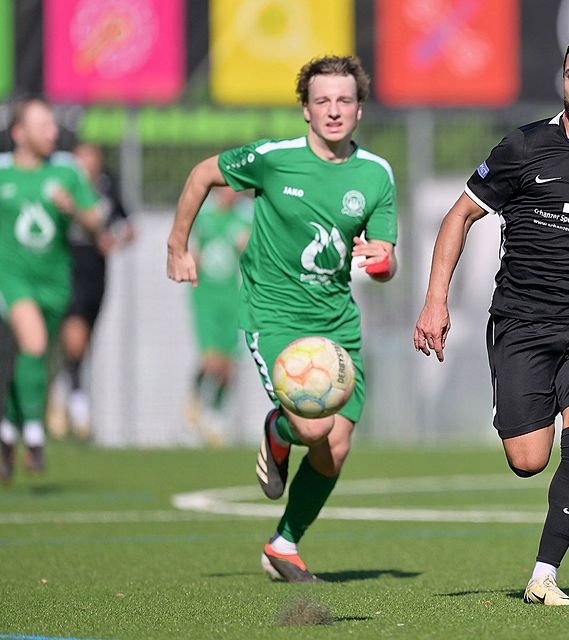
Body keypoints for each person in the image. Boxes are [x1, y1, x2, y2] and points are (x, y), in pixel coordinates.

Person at [415, 35, 569, 606]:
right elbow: (458, 216)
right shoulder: (524, 147)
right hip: (521, 322)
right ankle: (526, 408)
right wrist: (435, 301)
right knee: (528, 460)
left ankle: (544, 574)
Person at [166, 55, 397, 581]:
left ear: (359, 109)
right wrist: (177, 245)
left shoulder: (376, 174)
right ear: (305, 110)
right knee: (313, 427)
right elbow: (204, 174)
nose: (333, 110)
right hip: (273, 315)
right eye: (322, 101)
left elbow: (385, 257)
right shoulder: (274, 158)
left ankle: (283, 544)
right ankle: (279, 429)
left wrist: (383, 263)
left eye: (344, 100)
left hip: (337, 322)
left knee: (334, 449)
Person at [0, 97, 103, 483]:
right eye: (42, 125)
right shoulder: (3, 173)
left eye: (52, 125)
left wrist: (73, 208)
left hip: (55, 281)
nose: (52, 132)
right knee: (35, 345)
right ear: (19, 133)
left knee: (34, 359)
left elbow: (96, 224)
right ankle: (34, 433)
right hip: (11, 279)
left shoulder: (67, 171)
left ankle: (8, 431)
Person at [47, 141, 134, 441]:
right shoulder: (60, 188)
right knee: (74, 338)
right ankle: (78, 406)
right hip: (66, 268)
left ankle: (62, 388)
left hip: (96, 274)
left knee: (83, 342)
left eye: (92, 159)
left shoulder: (107, 187)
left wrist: (115, 238)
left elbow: (128, 225)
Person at [183, 187, 252, 444]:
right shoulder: (205, 214)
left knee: (228, 366)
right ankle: (194, 406)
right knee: (210, 361)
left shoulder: (246, 215)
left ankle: (216, 417)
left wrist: (249, 245)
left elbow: (256, 250)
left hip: (234, 300)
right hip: (207, 299)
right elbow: (193, 252)